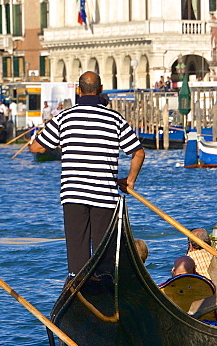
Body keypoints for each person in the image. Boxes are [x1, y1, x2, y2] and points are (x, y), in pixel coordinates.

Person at [30, 70, 145, 275]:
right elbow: (138, 153)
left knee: (77, 254)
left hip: (74, 195)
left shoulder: (64, 117)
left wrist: (61, 140)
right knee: (104, 254)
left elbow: (36, 148)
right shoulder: (114, 118)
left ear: (79, 91)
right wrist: (130, 181)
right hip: (105, 194)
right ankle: (103, 289)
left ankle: (79, 288)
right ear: (100, 90)